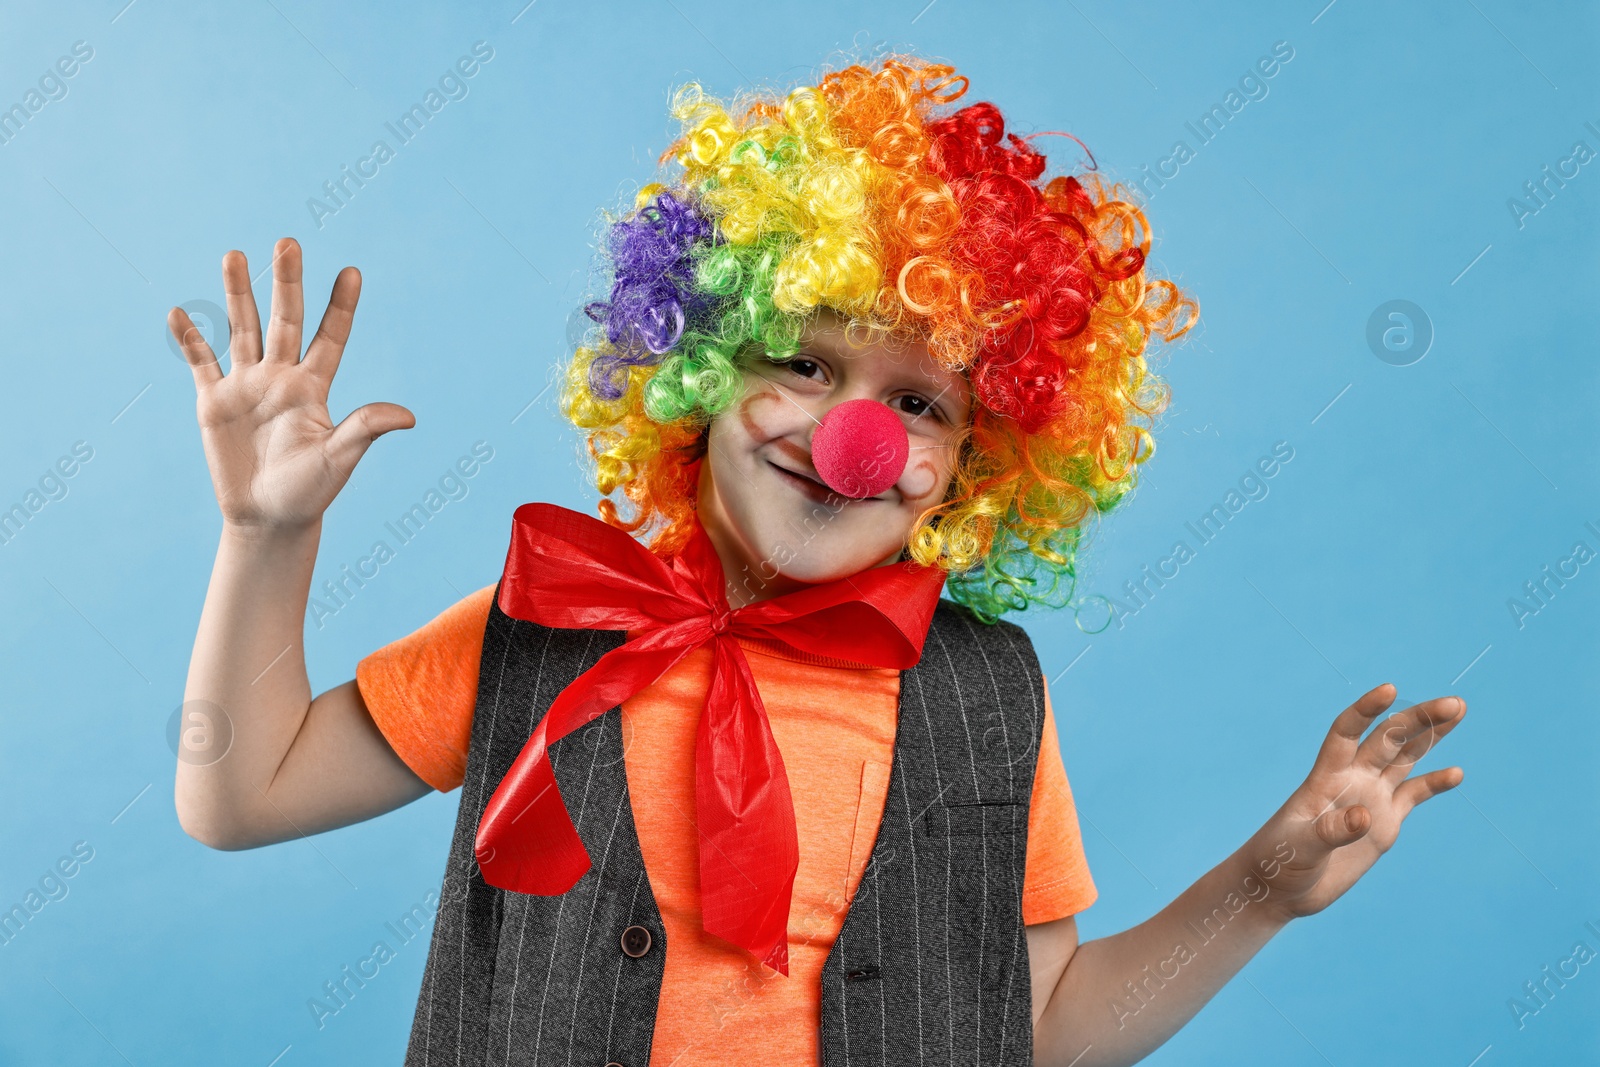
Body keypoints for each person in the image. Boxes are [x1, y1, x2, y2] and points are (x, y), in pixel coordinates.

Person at [167, 55, 1466, 1066]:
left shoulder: (984, 698)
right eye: (805, 362)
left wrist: (1259, 890)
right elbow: (242, 795)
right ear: (695, 358)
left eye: (920, 405)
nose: (850, 438)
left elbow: (1042, 1027)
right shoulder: (549, 617)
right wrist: (265, 539)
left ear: (984, 460)